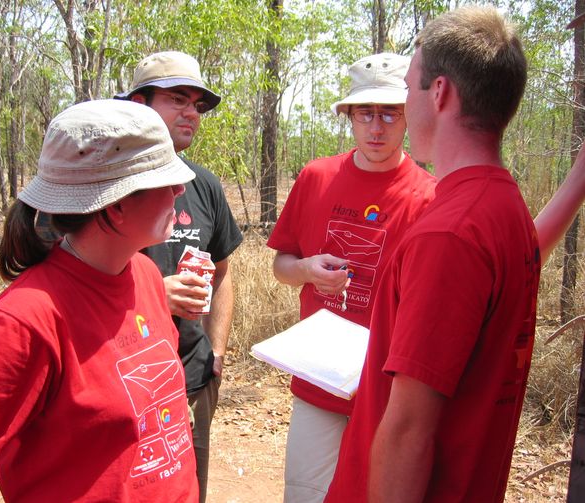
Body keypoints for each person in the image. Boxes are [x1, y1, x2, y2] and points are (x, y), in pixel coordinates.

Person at [0, 99, 199, 502]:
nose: (180, 189)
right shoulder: (28, 318)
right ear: (116, 206)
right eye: (163, 180)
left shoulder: (146, 275)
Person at [323, 6, 544, 502]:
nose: (404, 103)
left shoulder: (450, 234)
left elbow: (408, 432)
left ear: (439, 93)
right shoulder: (503, 207)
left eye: (408, 88)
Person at [267, 52, 436, 503]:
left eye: (389, 113)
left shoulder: (430, 197)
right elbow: (282, 264)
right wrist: (305, 270)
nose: (376, 128)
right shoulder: (315, 177)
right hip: (318, 378)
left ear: (408, 117)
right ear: (349, 116)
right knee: (306, 494)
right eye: (365, 113)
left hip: (387, 389)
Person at [115, 51, 243, 502]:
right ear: (140, 103)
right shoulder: (108, 183)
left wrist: (218, 351)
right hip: (125, 379)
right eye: (177, 100)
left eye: (198, 104)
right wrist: (152, 295)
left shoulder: (203, 184)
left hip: (192, 374)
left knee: (189, 490)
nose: (192, 112)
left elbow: (223, 272)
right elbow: (73, 280)